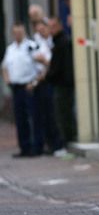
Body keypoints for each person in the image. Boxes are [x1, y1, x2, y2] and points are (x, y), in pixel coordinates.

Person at [1, 23, 42, 157]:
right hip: (16, 87)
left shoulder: (31, 46)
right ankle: (24, 147)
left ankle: (35, 147)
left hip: (29, 86)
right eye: (16, 33)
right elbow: (4, 66)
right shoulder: (10, 49)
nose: (18, 35)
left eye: (20, 33)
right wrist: (7, 80)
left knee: (33, 116)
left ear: (24, 33)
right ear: (13, 34)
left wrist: (34, 82)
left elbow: (41, 67)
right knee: (20, 118)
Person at [30, 18, 64, 156]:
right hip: (40, 82)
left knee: (53, 115)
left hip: (50, 82)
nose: (41, 32)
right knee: (43, 116)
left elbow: (52, 64)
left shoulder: (53, 43)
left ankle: (57, 144)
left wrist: (44, 62)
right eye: (38, 31)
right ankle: (48, 144)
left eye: (43, 29)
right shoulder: (36, 43)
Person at [45, 17, 77, 147]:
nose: (51, 30)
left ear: (59, 26)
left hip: (63, 84)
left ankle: (68, 141)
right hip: (61, 83)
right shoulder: (58, 42)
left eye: (53, 27)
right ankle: (66, 140)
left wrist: (49, 77)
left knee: (64, 114)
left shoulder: (62, 43)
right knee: (62, 113)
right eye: (50, 27)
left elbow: (59, 67)